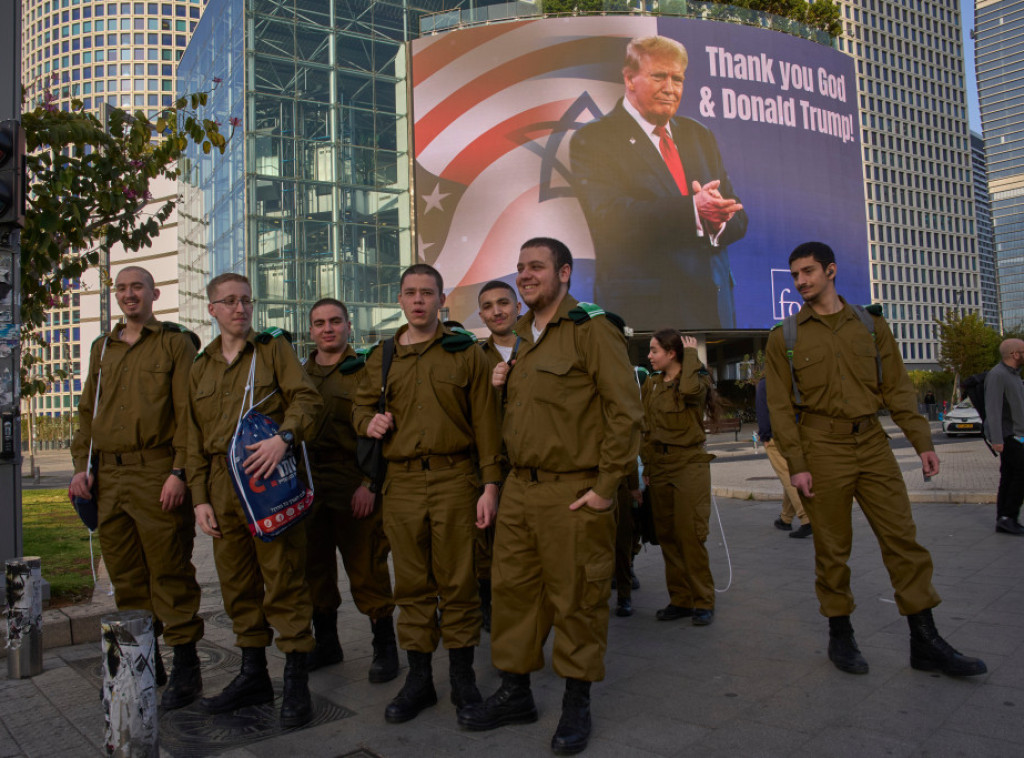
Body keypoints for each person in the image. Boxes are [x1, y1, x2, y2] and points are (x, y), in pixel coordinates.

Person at [765, 241, 986, 678]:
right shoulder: (784, 337)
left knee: (903, 540)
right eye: (795, 275)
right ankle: (840, 634)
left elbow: (898, 388)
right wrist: (798, 464)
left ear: (831, 270)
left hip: (872, 444)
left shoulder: (870, 326)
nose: (800, 281)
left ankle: (925, 641)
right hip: (821, 448)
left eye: (808, 271)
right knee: (832, 548)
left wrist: (922, 442)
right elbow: (779, 408)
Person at [458, 237, 643, 756]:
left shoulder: (591, 330)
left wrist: (605, 489)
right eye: (520, 267)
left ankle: (577, 703)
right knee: (513, 595)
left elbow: (625, 413)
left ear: (564, 272)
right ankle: (515, 692)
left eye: (536, 266)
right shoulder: (520, 336)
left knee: (577, 600)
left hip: (573, 491)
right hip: (520, 489)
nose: (525, 275)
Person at [352, 264, 502, 725]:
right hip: (400, 484)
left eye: (427, 293)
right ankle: (419, 679)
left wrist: (490, 486)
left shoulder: (465, 353)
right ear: (400, 299)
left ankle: (462, 677)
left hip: (455, 480)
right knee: (412, 585)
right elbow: (359, 407)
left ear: (441, 300)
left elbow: (486, 423)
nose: (418, 300)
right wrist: (368, 422)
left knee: (458, 582)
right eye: (410, 293)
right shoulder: (382, 356)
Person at [188, 273, 323, 727]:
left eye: (246, 300)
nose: (240, 308)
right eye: (229, 301)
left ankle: (297, 682)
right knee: (237, 585)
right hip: (221, 488)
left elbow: (307, 399)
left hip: (267, 483)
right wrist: (199, 498)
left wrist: (284, 438)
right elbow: (191, 437)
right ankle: (253, 676)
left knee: (284, 580)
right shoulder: (200, 366)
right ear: (212, 309)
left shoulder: (272, 349)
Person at [69, 266, 204, 710]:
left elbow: (188, 413)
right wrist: (81, 467)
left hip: (156, 472)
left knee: (169, 571)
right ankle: (143, 662)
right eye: (122, 288)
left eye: (137, 288)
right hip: (109, 478)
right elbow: (88, 411)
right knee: (125, 577)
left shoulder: (175, 343)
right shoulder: (102, 347)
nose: (129, 295)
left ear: (153, 294)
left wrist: (179, 471)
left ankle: (186, 667)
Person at [569, 35, 747, 329]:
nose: (670, 88)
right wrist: (693, 210)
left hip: (712, 312)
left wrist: (718, 220)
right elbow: (609, 218)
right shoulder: (595, 138)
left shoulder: (699, 135)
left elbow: (738, 216)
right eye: (659, 77)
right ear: (629, 79)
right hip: (646, 316)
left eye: (677, 79)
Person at [301, 298, 399, 680]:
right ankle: (327, 643)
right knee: (315, 567)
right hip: (310, 482)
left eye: (335, 321)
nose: (327, 329)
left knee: (367, 565)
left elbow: (380, 434)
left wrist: (369, 484)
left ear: (348, 326)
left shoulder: (365, 371)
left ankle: (384, 647)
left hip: (352, 479)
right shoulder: (300, 373)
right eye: (320, 323)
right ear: (311, 330)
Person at [641, 330, 717, 626]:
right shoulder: (652, 384)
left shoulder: (696, 379)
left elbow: (690, 393)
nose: (649, 356)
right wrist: (647, 468)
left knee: (690, 536)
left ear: (672, 353)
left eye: (654, 350)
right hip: (660, 465)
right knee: (668, 537)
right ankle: (681, 599)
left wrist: (693, 355)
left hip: (689, 464)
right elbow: (646, 428)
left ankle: (703, 600)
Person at [475, 279, 522, 631]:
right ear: (481, 315)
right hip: (489, 466)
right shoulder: (474, 357)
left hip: (531, 466)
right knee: (485, 542)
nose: (497, 311)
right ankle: (488, 606)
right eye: (488, 306)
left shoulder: (538, 349)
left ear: (518, 307)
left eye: (503, 303)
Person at [755, 377, 812, 539]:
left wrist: (765, 435)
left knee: (788, 476)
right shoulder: (793, 380)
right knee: (790, 473)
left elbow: (763, 411)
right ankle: (785, 518)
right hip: (797, 433)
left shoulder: (765, 384)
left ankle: (806, 518)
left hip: (776, 436)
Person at [984, 338, 1024, 535]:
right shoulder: (997, 375)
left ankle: (1005, 519)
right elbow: (993, 409)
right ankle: (1008, 516)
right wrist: (997, 439)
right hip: (1008, 435)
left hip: (1017, 435)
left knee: (1009, 475)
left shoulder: (1014, 375)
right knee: (1020, 474)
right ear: (1014, 354)